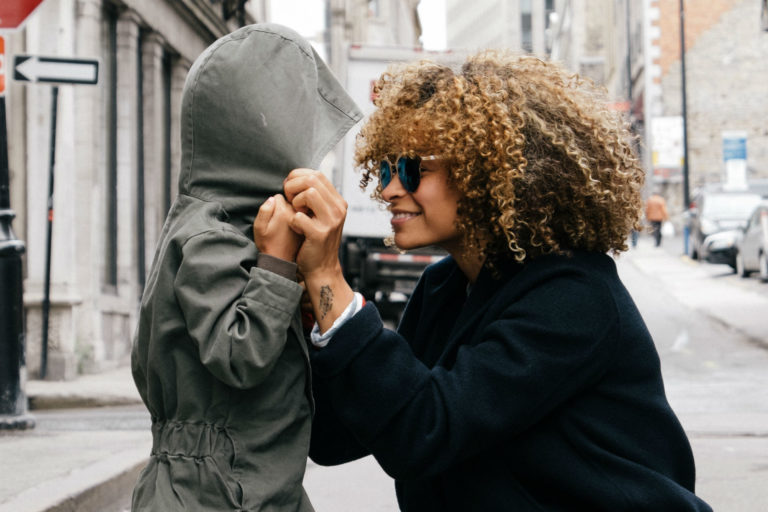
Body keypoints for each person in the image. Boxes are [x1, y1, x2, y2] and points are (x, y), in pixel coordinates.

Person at [276, 51, 712, 511]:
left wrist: (330, 280)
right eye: (385, 169)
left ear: (486, 172)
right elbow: (336, 437)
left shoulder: (574, 297)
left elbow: (425, 430)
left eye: (412, 169)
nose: (388, 189)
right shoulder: (445, 288)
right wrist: (313, 313)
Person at [129, 24, 361, 511]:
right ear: (264, 133)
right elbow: (239, 354)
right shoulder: (209, 234)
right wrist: (276, 265)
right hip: (214, 492)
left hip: (249, 482)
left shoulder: (238, 223)